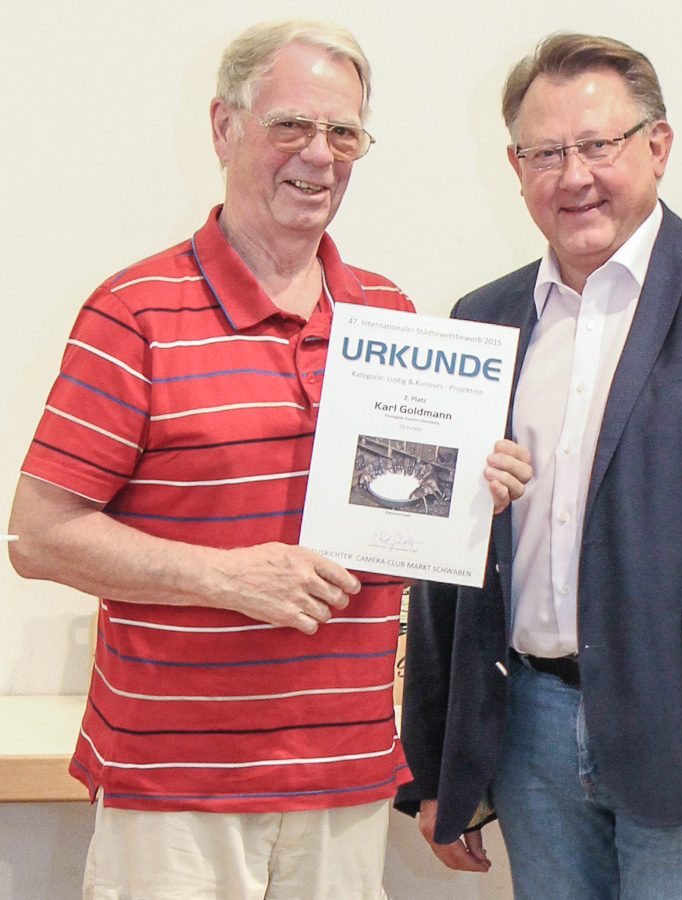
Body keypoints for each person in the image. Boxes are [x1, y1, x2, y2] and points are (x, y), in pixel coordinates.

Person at [7, 19, 530, 900]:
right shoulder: (134, 313)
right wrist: (227, 577)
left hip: (346, 779)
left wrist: (475, 494)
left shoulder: (390, 316)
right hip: (177, 791)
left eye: (344, 133)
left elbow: (402, 530)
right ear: (224, 128)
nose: (319, 155)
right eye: (291, 125)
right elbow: (38, 537)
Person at [396, 31, 682, 900]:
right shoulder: (481, 320)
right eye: (546, 153)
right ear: (515, 167)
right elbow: (443, 558)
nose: (574, 176)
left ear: (658, 146)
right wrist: (434, 765)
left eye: (598, 145)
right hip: (527, 733)